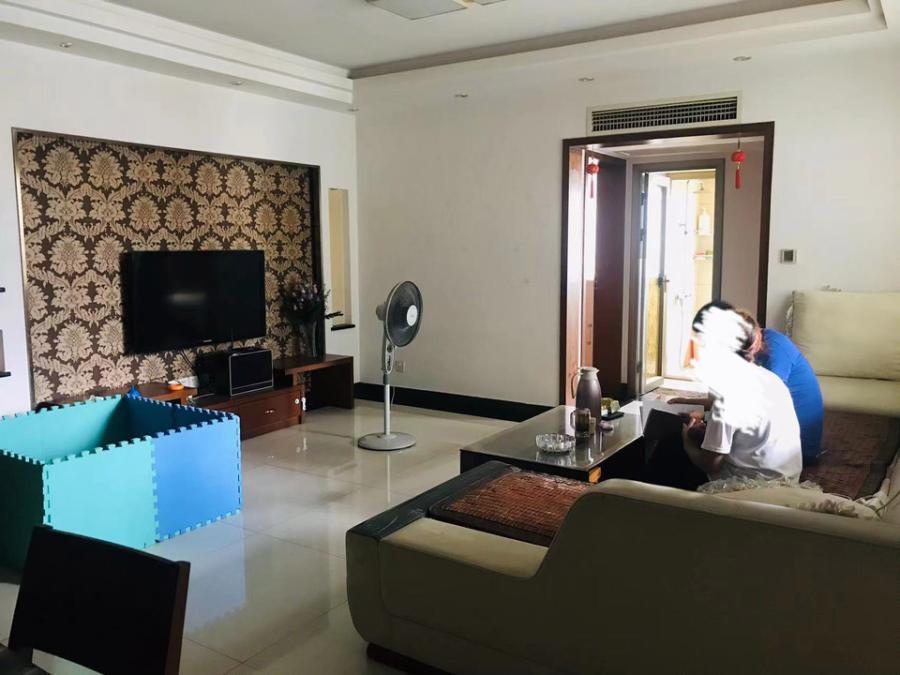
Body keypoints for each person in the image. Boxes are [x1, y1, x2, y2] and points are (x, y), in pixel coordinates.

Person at [652, 302, 802, 488]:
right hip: (787, 480)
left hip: (749, 487)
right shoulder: (771, 379)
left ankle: (643, 499)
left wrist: (686, 439)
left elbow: (711, 464)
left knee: (670, 447)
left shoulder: (728, 393)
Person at [671, 301, 824, 464]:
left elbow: (748, 405)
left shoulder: (774, 350)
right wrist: (690, 402)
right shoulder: (760, 373)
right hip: (780, 452)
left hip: (792, 448)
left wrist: (695, 429)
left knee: (680, 444)